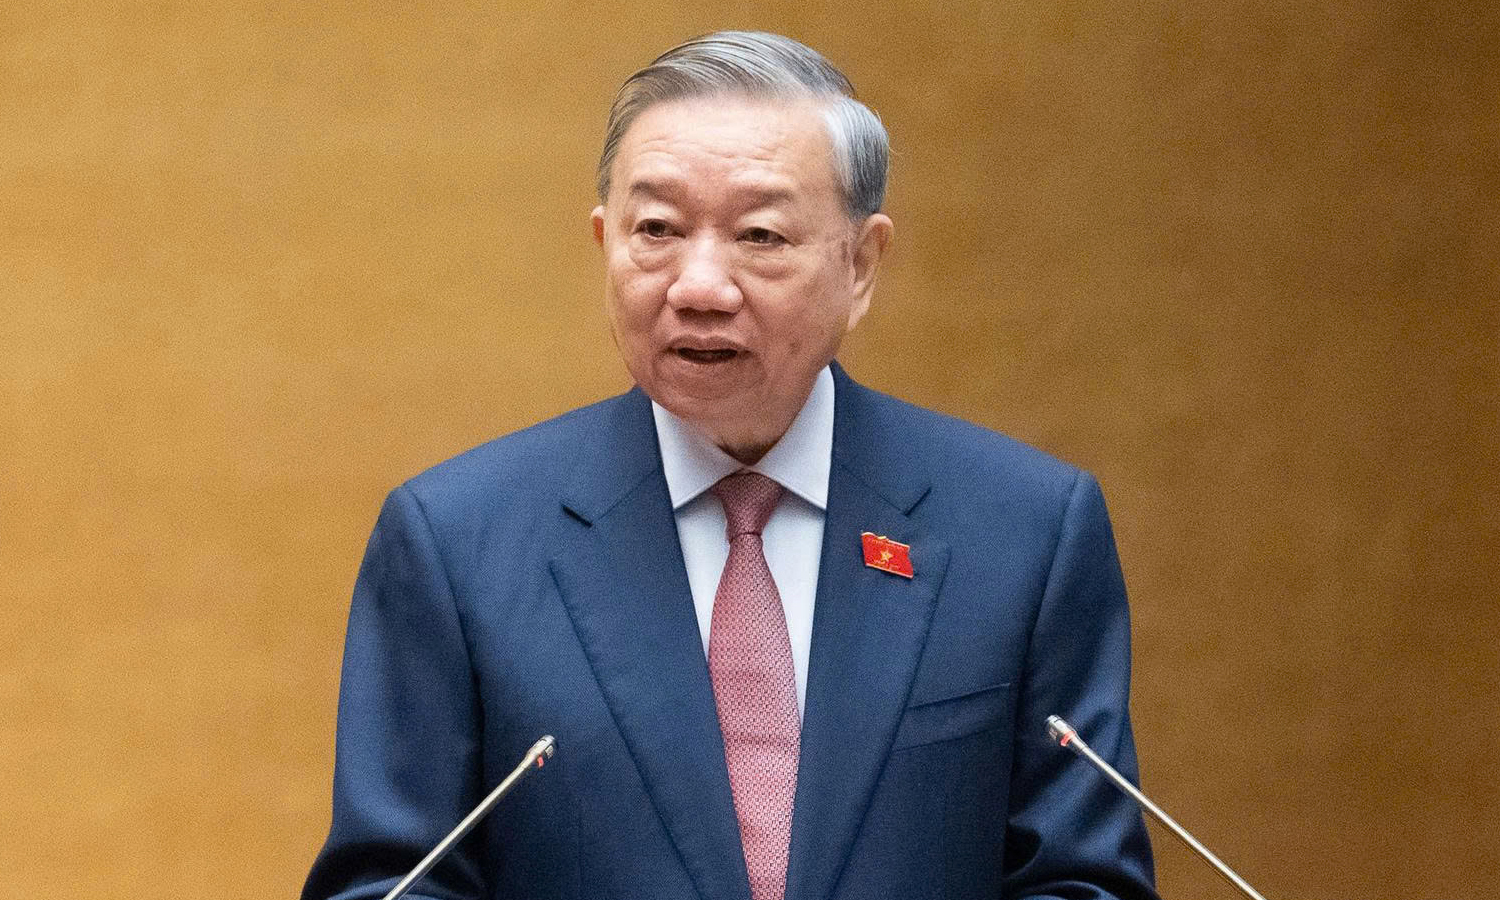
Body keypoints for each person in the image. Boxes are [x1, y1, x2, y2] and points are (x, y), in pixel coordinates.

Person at [303, 30, 1157, 900]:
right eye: (657, 230)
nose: (699, 286)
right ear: (604, 241)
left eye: (759, 234)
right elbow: (392, 886)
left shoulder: (1025, 532)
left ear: (861, 265)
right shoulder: (456, 543)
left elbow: (1085, 883)